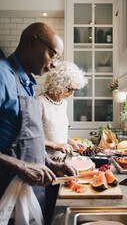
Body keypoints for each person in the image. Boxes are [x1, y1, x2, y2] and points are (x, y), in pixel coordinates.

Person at [0, 22, 77, 225]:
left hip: (32, 192)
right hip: (6, 195)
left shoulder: (27, 82)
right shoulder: (2, 76)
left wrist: (49, 163)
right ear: (32, 42)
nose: (54, 64)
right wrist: (22, 167)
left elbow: (29, 138)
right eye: (53, 55)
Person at [38, 61, 87, 155]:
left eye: (75, 90)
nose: (72, 93)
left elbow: (58, 133)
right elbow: (32, 137)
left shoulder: (63, 103)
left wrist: (70, 142)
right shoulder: (40, 102)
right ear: (57, 84)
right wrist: (55, 145)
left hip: (61, 160)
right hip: (46, 161)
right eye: (70, 89)